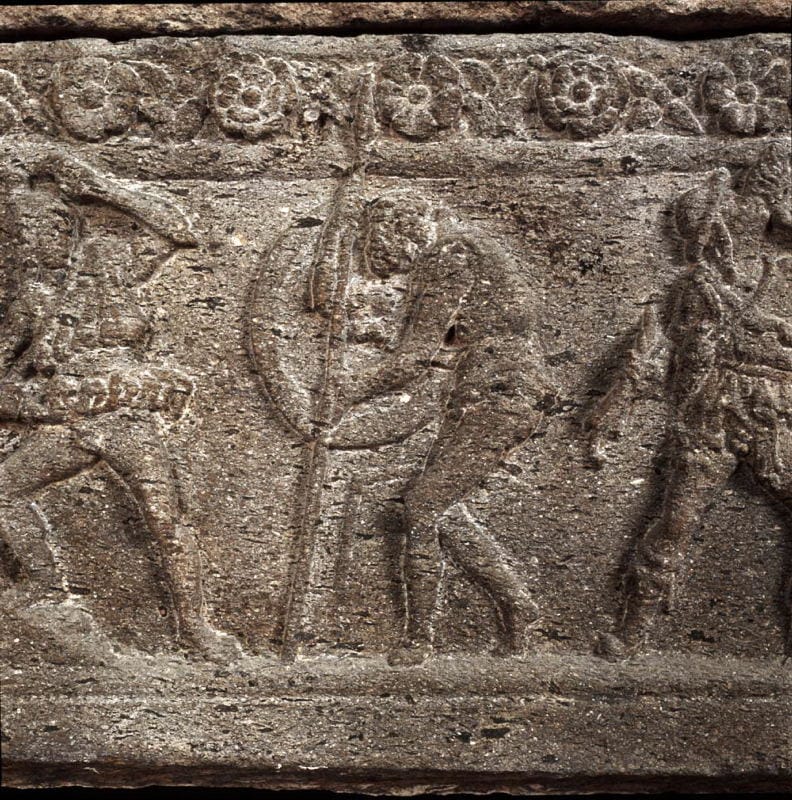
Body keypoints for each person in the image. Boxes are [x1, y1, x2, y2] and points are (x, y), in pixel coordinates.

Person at [0, 148, 238, 660]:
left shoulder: (107, 268)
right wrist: (52, 402)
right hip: (72, 422)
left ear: (71, 230)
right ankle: (47, 589)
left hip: (127, 422)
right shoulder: (29, 304)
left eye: (52, 228)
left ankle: (195, 629)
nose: (40, 242)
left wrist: (100, 187)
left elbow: (180, 230)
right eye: (25, 232)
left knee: (166, 519)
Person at [322, 189, 557, 665]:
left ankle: (419, 639)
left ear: (399, 229)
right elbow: (446, 339)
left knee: (422, 507)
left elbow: (413, 358)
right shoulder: (474, 251)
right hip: (487, 392)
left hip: (498, 395)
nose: (374, 257)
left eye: (374, 242)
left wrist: (341, 393)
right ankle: (516, 603)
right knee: (441, 506)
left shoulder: (451, 253)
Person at [587, 143, 792, 653]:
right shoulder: (699, 287)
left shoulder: (782, 274)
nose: (738, 223)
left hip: (781, 410)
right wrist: (617, 403)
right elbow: (662, 352)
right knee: (675, 522)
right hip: (714, 411)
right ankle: (633, 632)